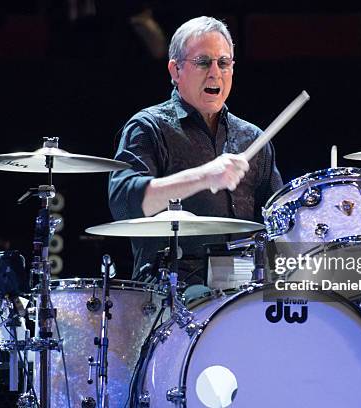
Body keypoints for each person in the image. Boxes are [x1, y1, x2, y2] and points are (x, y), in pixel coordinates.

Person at [108, 16, 283, 283]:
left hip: (243, 285)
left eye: (224, 63)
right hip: (171, 289)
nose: (215, 72)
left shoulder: (252, 138)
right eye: (203, 62)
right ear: (175, 70)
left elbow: (279, 219)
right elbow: (124, 204)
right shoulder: (148, 128)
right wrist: (204, 176)